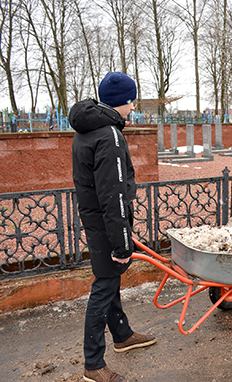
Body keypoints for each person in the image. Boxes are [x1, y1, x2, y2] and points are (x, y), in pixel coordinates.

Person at [69, 72, 157, 382]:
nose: (133, 107)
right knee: (103, 288)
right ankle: (93, 365)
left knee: (109, 281)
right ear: (123, 101)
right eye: (132, 101)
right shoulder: (108, 134)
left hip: (96, 220)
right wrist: (122, 242)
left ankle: (122, 335)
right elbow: (114, 193)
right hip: (106, 223)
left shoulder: (87, 129)